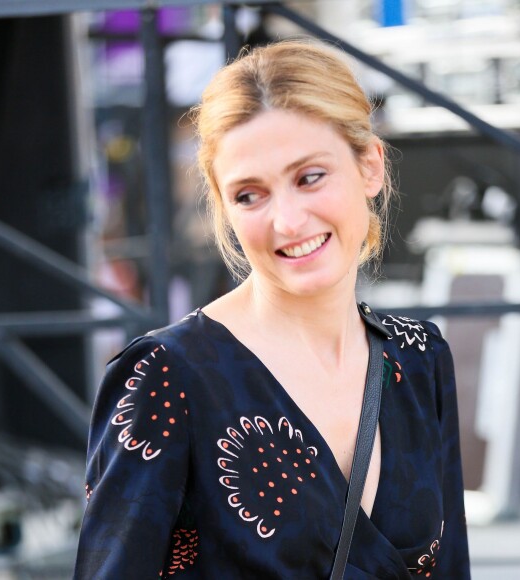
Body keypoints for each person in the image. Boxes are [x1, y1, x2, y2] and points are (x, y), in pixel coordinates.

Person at [74, 40, 470, 579]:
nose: (287, 220)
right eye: (249, 195)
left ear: (370, 165)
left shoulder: (419, 358)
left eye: (310, 177)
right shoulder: (168, 377)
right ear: (224, 209)